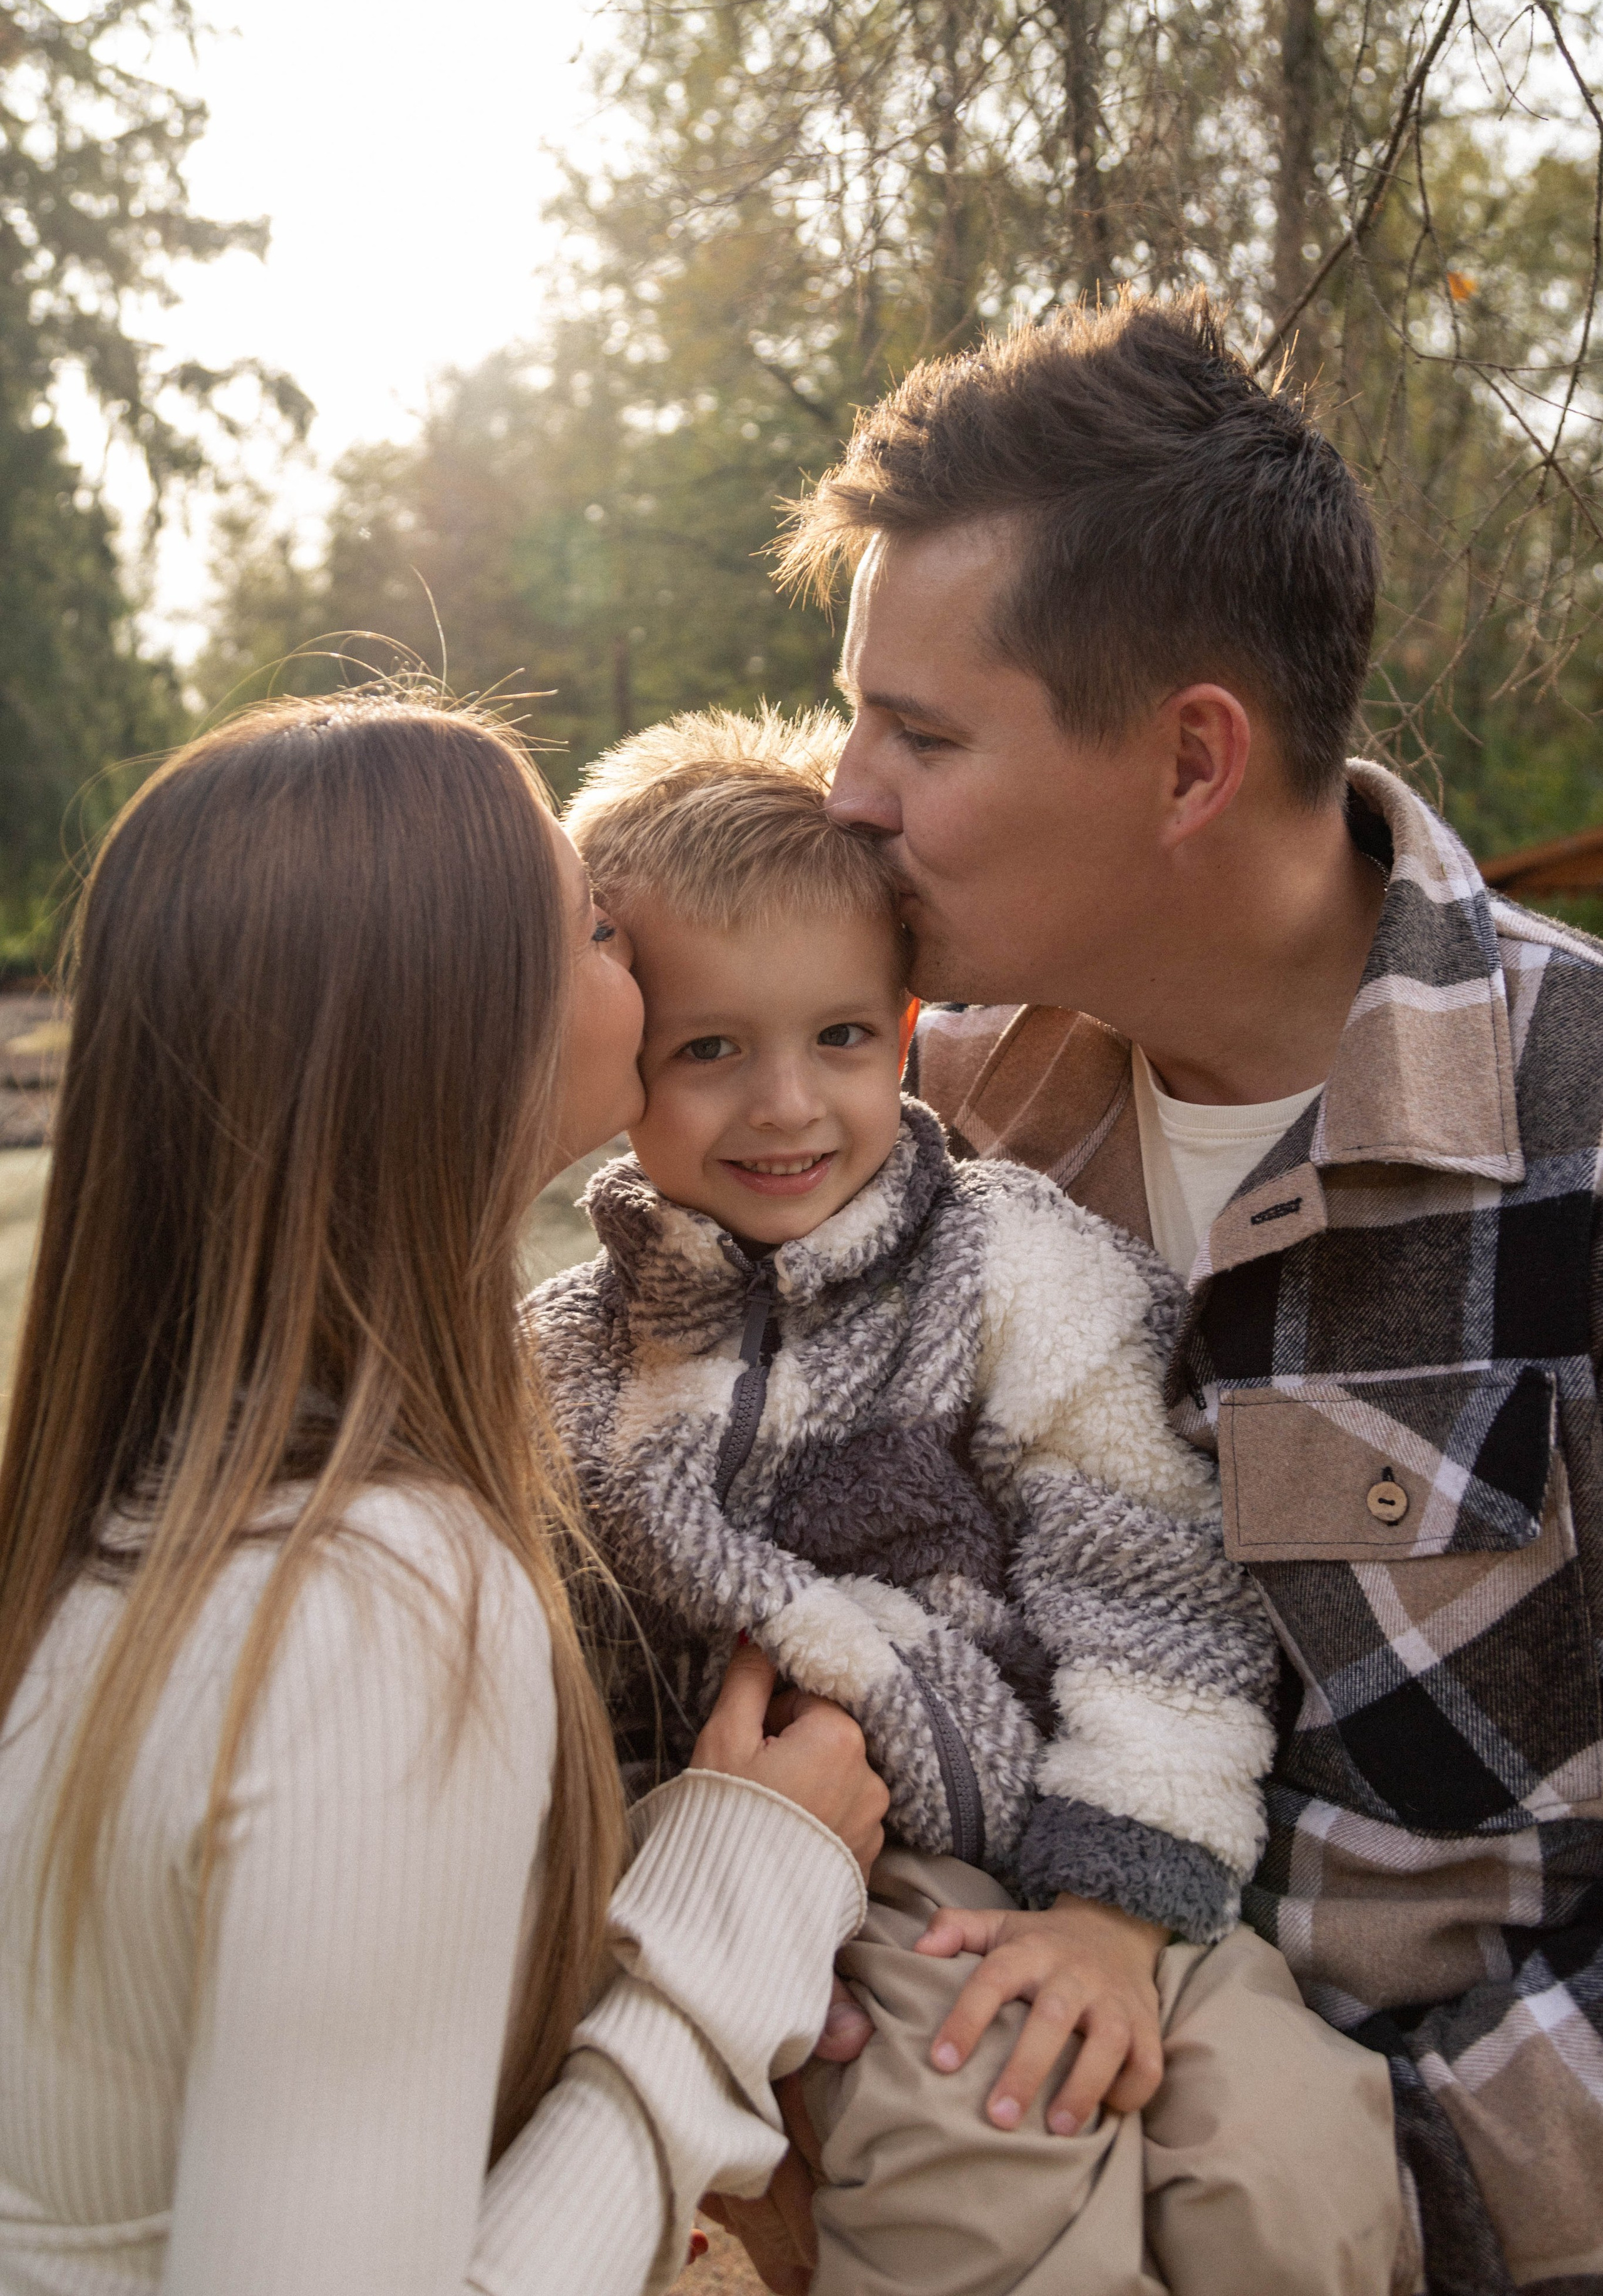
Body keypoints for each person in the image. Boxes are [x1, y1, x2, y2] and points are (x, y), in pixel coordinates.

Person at [766, 289, 1603, 2296]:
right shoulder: (923, 1128)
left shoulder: (1580, 1128)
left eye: (922, 734)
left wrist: (1384, 2200)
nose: (845, 790)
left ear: (1192, 761)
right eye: (856, 712)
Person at [0, 689, 890, 2296]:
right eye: (593, 927)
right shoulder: (370, 1606)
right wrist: (739, 1891)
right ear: (462, 1032)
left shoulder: (133, 1517)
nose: (641, 959)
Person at [532, 703, 1406, 2296]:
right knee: (982, 2152)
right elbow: (562, 1707)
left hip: (1111, 1833)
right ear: (613, 1059)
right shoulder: (578, 1365)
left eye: (840, 1037)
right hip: (837, 1873)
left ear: (905, 1021)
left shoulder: (1001, 1262)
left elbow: (1155, 1587)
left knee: (1291, 2155)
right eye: (709, 1049)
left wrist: (1112, 1909)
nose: (786, 1104)